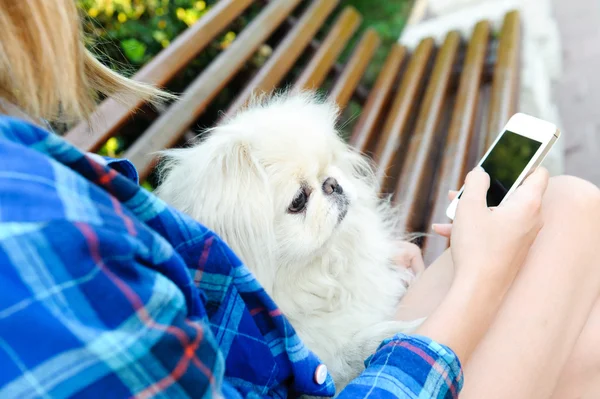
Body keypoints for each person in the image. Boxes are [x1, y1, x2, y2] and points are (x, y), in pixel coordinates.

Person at [0, 1, 598, 398]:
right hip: (334, 377)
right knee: (573, 228)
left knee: (571, 244)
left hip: (297, 352)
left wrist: (353, 268)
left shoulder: (35, 181)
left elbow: (210, 296)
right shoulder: (34, 236)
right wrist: (481, 279)